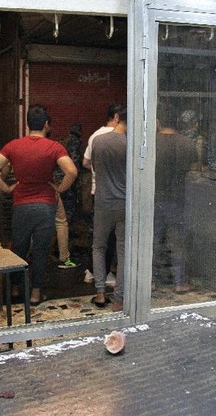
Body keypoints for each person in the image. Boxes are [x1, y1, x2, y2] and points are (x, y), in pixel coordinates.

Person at [0, 104, 77, 306]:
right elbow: (71, 171)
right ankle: (35, 293)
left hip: (21, 205)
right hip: (45, 204)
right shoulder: (54, 147)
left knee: (18, 247)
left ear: (28, 124)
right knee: (41, 250)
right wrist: (60, 188)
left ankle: (16, 287)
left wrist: (6, 188)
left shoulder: (14, 145)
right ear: (46, 124)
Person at [153, 112, 197, 293]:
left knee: (153, 241)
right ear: (177, 122)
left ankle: (150, 282)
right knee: (178, 242)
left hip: (155, 198)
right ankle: (180, 282)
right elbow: (194, 170)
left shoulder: (152, 142)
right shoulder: (188, 143)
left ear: (159, 122)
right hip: (178, 198)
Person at [90, 105, 127, 311]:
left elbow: (94, 167)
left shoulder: (98, 141)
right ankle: (119, 299)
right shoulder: (130, 144)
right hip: (124, 203)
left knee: (99, 247)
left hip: (103, 202)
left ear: (117, 118)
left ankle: (100, 293)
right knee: (123, 250)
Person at [81, 106, 122, 285]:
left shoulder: (94, 136)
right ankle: (107, 274)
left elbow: (85, 162)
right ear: (116, 117)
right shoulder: (122, 137)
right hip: (116, 194)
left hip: (97, 192)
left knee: (97, 238)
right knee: (113, 239)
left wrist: (99, 171)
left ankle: (92, 272)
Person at [53, 123, 83, 269]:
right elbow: (74, 166)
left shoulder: (64, 141)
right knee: (64, 220)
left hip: (58, 180)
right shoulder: (75, 142)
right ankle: (63, 255)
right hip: (66, 183)